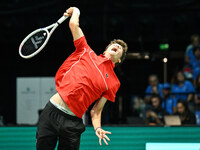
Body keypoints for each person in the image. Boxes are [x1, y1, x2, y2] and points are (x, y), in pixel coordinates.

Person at [36, 7, 128, 150]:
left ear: (120, 60)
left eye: (120, 48)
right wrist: (77, 11)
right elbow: (74, 25)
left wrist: (97, 128)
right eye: (114, 44)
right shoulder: (86, 51)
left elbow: (96, 111)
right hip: (51, 112)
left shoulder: (114, 82)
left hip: (73, 123)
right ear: (106, 50)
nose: (117, 45)